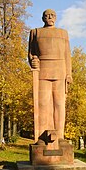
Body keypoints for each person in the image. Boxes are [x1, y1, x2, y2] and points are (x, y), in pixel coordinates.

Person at [28, 9, 72, 142]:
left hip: (60, 71)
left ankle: (59, 136)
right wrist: (33, 60)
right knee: (43, 103)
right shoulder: (35, 32)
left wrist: (69, 74)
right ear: (42, 18)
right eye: (46, 16)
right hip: (43, 71)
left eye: (52, 15)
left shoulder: (63, 33)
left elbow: (67, 55)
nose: (49, 17)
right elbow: (30, 53)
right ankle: (42, 137)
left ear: (56, 17)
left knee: (59, 104)